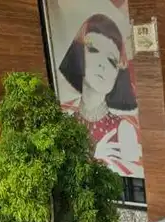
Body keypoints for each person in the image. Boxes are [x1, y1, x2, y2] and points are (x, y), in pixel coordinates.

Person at [59, 13, 142, 176]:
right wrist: (94, 157)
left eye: (111, 61)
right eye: (93, 50)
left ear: (118, 73)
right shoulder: (66, 116)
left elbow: (132, 177)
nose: (102, 65)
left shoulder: (123, 129)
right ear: (79, 55)